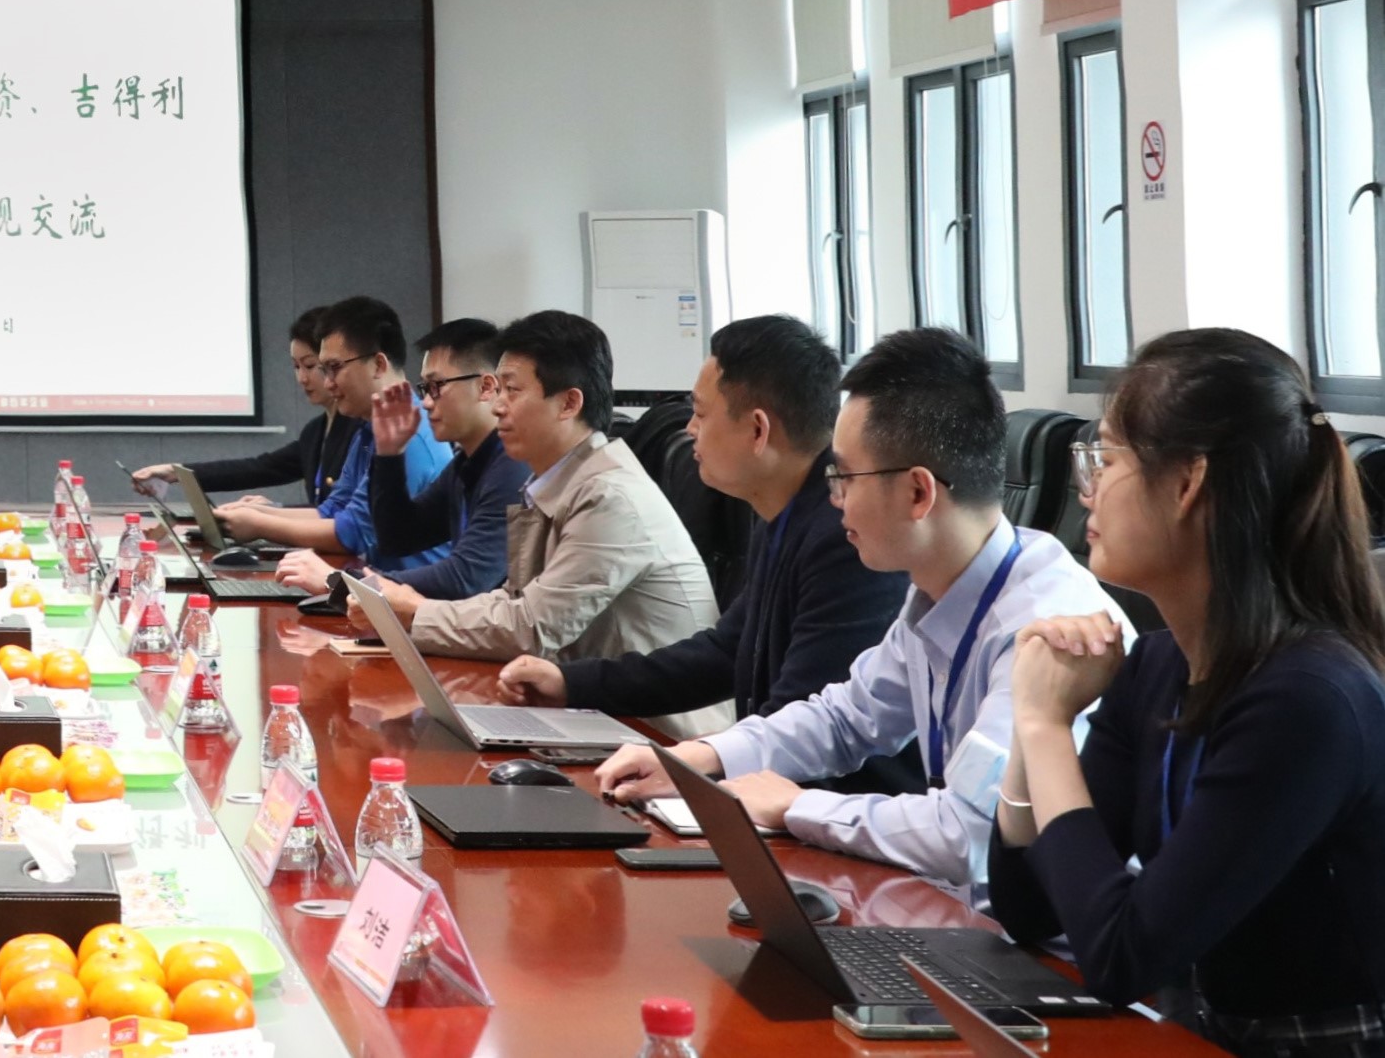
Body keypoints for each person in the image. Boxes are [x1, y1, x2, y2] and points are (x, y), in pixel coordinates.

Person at [598, 327, 1121, 892]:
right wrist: (698, 758)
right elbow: (845, 717)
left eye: (844, 476)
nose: (834, 498)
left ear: (918, 493)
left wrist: (796, 806)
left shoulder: (1041, 622)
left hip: (1029, 932)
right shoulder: (937, 590)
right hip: (949, 905)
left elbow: (968, 834)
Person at [990, 329, 1385, 1053]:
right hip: (1198, 1036)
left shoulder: (1307, 700)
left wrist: (1047, 727)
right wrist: (1030, 728)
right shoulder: (1157, 666)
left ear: (1187, 483)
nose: (1086, 491)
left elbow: (1121, 957)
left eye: (1105, 459)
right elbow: (1027, 907)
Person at [496, 316, 908, 787]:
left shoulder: (846, 538)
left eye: (700, 413)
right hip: (773, 787)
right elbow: (724, 653)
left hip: (832, 811)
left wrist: (696, 770)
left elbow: (802, 728)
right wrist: (571, 684)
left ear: (758, 430)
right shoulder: (786, 515)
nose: (689, 429)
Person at [351, 311, 720, 733]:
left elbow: (530, 627)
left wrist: (417, 613)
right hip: (594, 714)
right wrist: (412, 611)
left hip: (659, 735)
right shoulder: (551, 480)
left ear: (569, 403)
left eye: (512, 390)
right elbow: (514, 602)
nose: (497, 405)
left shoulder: (609, 496)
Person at [276, 318, 525, 599]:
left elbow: (465, 578)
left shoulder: (512, 467)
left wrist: (339, 582)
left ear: (486, 387)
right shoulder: (467, 464)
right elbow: (396, 539)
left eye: (437, 386)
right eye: (425, 388)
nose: (427, 402)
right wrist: (389, 455)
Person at [214, 297, 449, 564]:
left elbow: (353, 534)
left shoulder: (411, 436)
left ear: (378, 365)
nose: (328, 383)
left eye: (335, 368)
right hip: (373, 581)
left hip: (404, 588)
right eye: (324, 370)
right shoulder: (368, 430)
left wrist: (259, 525)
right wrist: (258, 514)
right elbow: (334, 509)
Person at [130, 307, 376, 508]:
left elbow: (346, 514)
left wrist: (273, 513)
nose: (302, 378)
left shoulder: (362, 428)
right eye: (296, 367)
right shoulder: (315, 431)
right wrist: (175, 472)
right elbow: (260, 468)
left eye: (310, 366)